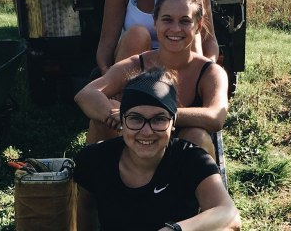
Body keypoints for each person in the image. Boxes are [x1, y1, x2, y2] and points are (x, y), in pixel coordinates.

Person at [76, 0, 228, 156]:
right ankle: (93, 181)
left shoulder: (210, 72)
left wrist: (158, 116)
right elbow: (86, 94)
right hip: (138, 152)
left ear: (198, 26)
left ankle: (201, 184)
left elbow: (216, 116)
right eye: (167, 19)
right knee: (100, 122)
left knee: (195, 135)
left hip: (180, 160)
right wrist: (122, 116)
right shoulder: (138, 63)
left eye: (185, 21)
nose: (175, 29)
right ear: (155, 22)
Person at [74, 68, 241, 231]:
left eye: (159, 119)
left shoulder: (191, 160)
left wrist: (175, 229)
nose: (146, 132)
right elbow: (87, 210)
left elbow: (229, 215)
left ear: (173, 122)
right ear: (122, 121)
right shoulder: (96, 159)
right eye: (136, 119)